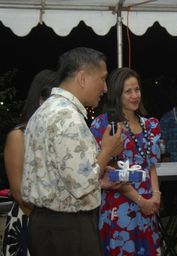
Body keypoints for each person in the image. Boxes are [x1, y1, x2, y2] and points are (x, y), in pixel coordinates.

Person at [21, 47, 123, 256]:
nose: (105, 88)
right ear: (83, 78)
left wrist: (99, 181)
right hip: (69, 229)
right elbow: (81, 184)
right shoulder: (67, 117)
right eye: (102, 79)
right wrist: (107, 151)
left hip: (45, 223)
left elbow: (58, 175)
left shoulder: (45, 110)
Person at [90, 67, 162, 256]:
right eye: (128, 91)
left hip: (148, 206)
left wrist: (155, 195)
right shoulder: (105, 125)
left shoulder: (151, 125)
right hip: (119, 206)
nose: (134, 95)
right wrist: (140, 201)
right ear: (116, 94)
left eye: (136, 89)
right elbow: (109, 170)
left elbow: (150, 166)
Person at [3, 69, 58, 256]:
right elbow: (18, 192)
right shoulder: (19, 136)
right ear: (41, 100)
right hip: (28, 222)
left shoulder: (60, 135)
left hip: (57, 224)